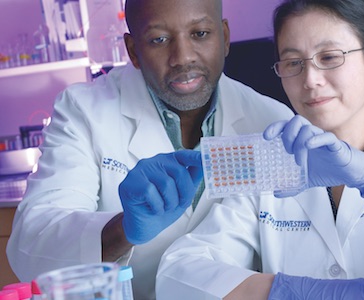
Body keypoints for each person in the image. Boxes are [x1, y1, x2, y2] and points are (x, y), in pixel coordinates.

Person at [156, 0, 364, 299]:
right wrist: (290, 291)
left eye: (329, 57)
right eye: (293, 62)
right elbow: (177, 275)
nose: (310, 79)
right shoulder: (269, 165)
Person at [6, 0, 294, 298]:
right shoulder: (85, 111)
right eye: (159, 39)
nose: (182, 57)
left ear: (224, 37)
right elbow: (30, 249)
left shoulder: (272, 122)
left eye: (200, 33)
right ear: (133, 50)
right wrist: (123, 229)